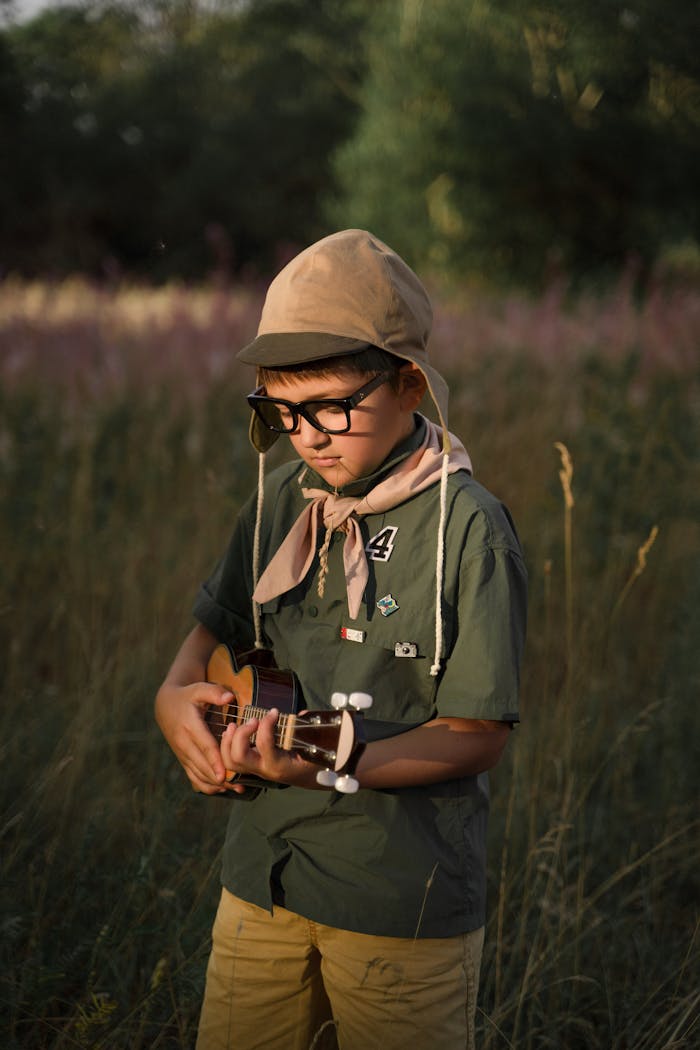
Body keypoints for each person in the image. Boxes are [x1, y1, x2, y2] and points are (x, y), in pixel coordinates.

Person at [155, 229, 527, 1050]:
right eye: (282, 411)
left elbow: (477, 738)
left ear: (408, 385)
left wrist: (333, 757)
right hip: (261, 881)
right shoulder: (282, 498)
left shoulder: (469, 532)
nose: (308, 435)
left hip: (397, 905)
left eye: (331, 406)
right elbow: (203, 645)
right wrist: (171, 700)